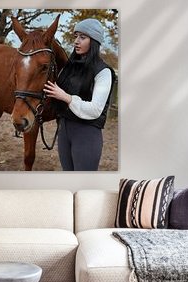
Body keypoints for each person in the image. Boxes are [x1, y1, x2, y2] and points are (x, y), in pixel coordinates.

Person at [43, 18, 116, 171]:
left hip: (86, 134)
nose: (76, 41)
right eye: (76, 36)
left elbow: (95, 109)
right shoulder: (71, 67)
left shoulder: (103, 72)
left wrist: (66, 97)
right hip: (65, 130)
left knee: (84, 183)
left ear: (94, 41)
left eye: (82, 37)